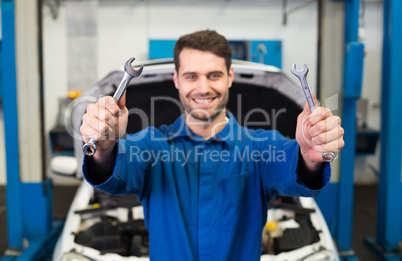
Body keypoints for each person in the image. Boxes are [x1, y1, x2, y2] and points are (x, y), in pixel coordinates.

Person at [80, 30, 344, 260]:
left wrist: (309, 155)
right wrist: (104, 149)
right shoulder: (151, 147)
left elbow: (297, 171)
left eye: (214, 75)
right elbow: (117, 170)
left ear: (230, 76)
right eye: (192, 76)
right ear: (177, 79)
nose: (203, 88)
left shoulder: (261, 148)